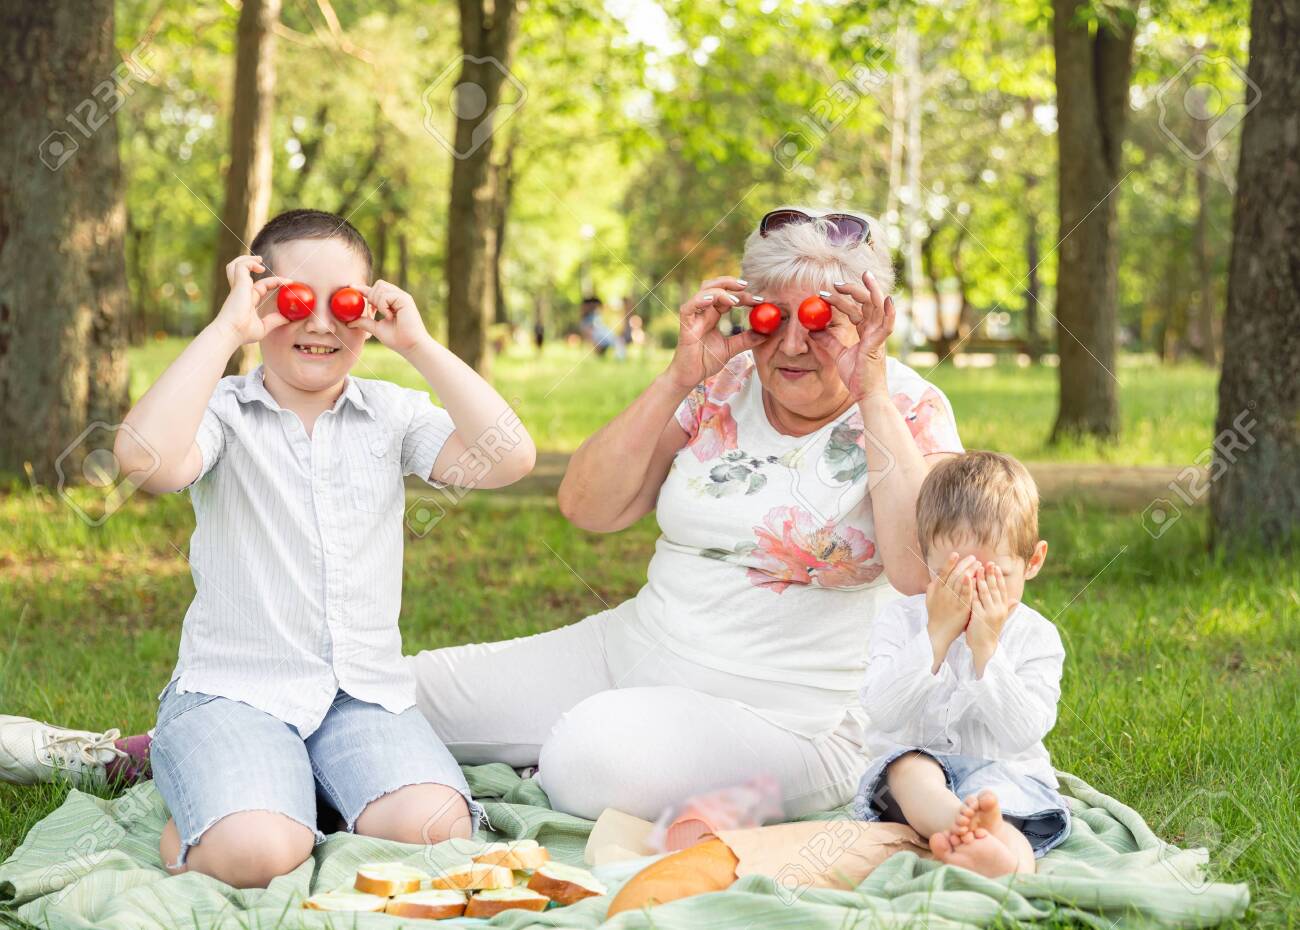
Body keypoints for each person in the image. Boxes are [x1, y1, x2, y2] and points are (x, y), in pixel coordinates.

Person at [1, 206, 961, 827]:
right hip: (632, 648)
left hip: (783, 718)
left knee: (587, 754)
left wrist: (873, 392)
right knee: (379, 693)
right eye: (770, 317)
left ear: (870, 321)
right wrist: (680, 376)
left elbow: (919, 571)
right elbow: (589, 508)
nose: (791, 343)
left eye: (824, 322)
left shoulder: (911, 410)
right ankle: (147, 756)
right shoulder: (723, 384)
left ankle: (331, 802)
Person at [0, 209, 536, 889]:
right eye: (295, 302)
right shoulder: (223, 412)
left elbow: (509, 457)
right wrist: (226, 331)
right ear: (258, 300)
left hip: (360, 697)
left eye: (345, 304)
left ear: (371, 310)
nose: (321, 324)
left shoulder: (391, 413)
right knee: (255, 854)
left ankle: (280, 787)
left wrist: (419, 345)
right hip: (236, 692)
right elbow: (143, 460)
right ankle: (212, 797)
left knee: (434, 829)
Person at [853, 450, 1068, 877]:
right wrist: (935, 637)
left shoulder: (1036, 637)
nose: (973, 594)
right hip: (920, 788)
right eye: (954, 577)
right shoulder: (899, 621)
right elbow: (883, 712)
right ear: (925, 557)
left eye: (994, 577)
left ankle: (1011, 865)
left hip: (1006, 775)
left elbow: (1023, 732)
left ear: (1033, 561)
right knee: (908, 768)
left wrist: (987, 650)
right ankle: (962, 827)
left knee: (1001, 804)